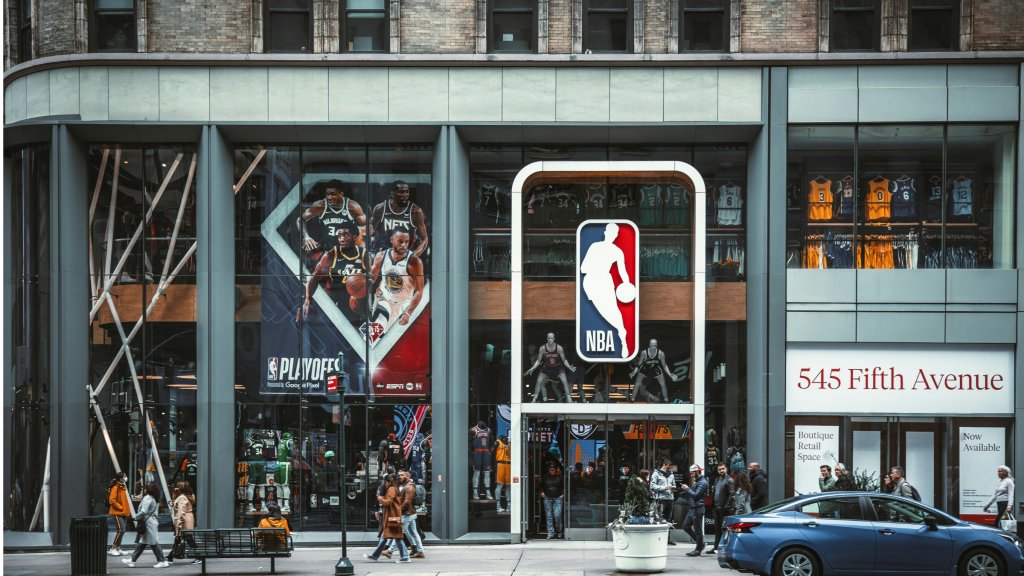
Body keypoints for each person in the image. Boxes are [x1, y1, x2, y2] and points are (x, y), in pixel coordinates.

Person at [362, 229, 425, 346]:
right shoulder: (381, 256)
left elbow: (419, 291)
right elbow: (372, 279)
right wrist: (362, 288)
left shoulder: (415, 262)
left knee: (393, 346)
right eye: (400, 241)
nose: (404, 245)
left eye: (406, 242)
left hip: (404, 305)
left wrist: (408, 313)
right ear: (392, 239)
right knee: (372, 337)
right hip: (384, 300)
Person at [579, 222, 633, 359]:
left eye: (615, 234)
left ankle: (622, 336)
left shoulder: (616, 251)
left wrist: (627, 286)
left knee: (613, 310)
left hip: (603, 281)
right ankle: (621, 332)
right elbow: (582, 269)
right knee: (606, 312)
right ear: (606, 233)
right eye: (612, 233)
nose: (613, 236)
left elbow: (623, 273)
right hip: (592, 282)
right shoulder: (595, 247)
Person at [298, 222, 370, 324]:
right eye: (339, 236)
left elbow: (375, 279)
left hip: (358, 301)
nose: (341, 239)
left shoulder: (365, 255)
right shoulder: (331, 255)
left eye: (345, 235)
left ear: (355, 237)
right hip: (338, 301)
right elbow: (315, 278)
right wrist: (307, 300)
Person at [298, 179, 367, 256]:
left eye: (333, 194)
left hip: (348, 251)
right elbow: (300, 220)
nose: (329, 197)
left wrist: (357, 230)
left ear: (341, 194)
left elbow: (369, 227)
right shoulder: (321, 206)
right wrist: (306, 237)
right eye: (327, 194)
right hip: (330, 253)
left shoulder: (352, 206)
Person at [368, 180, 429, 258]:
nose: (405, 195)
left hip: (402, 254)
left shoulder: (415, 211)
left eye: (407, 192)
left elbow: (424, 239)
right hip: (381, 252)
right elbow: (369, 231)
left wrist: (413, 256)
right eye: (401, 192)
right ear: (393, 194)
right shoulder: (381, 208)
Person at [363, 473, 410, 562]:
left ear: (389, 482)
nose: (385, 484)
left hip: (391, 518)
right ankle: (376, 555)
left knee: (390, 538)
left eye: (386, 482)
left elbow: (388, 502)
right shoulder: (394, 489)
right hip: (393, 517)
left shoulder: (391, 489)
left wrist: (380, 499)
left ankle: (404, 556)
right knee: (393, 538)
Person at [122, 482, 168, 568]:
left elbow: (143, 511)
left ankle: (162, 561)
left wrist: (135, 517)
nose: (144, 489)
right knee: (143, 543)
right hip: (151, 522)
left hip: (148, 523)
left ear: (149, 489)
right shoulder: (155, 498)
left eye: (146, 488)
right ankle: (132, 560)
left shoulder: (147, 498)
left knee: (153, 542)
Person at [525, 333, 577, 403]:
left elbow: (564, 360)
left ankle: (569, 398)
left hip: (558, 367)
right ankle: (534, 399)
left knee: (564, 381)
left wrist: (569, 367)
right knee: (539, 381)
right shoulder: (542, 348)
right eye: (549, 338)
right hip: (547, 367)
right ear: (547, 339)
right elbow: (538, 360)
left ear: (554, 339)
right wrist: (533, 368)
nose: (550, 340)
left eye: (551, 338)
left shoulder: (559, 348)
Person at [387, 470, 425, 559]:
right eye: (399, 475)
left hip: (407, 513)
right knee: (414, 533)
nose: (399, 476)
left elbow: (407, 502)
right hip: (408, 513)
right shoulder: (402, 486)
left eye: (402, 475)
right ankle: (420, 551)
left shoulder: (409, 487)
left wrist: (398, 510)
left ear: (408, 476)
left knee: (399, 531)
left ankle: (390, 551)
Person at [679, 464, 709, 557]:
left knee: (698, 529)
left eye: (692, 473)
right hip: (693, 508)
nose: (691, 475)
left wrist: (687, 488)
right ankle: (701, 544)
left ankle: (698, 549)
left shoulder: (703, 482)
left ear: (697, 472)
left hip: (698, 508)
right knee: (685, 526)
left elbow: (696, 495)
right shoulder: (698, 481)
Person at [650, 459, 677, 545]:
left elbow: (673, 484)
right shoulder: (656, 473)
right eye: (668, 468)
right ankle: (658, 538)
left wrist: (673, 488)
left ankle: (667, 538)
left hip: (670, 499)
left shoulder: (671, 474)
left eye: (670, 468)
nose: (669, 470)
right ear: (664, 465)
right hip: (661, 499)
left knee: (668, 519)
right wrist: (664, 487)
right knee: (659, 518)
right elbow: (652, 485)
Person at [708, 463, 733, 554]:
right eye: (719, 469)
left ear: (726, 469)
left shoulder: (730, 480)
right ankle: (716, 547)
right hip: (715, 507)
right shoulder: (717, 480)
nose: (721, 470)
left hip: (723, 508)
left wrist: (726, 507)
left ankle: (724, 547)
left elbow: (732, 495)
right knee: (717, 528)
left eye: (723, 469)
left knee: (724, 528)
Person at [168, 481, 196, 563]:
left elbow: (181, 511)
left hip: (184, 521)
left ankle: (199, 556)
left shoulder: (182, 498)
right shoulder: (186, 496)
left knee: (187, 539)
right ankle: (170, 556)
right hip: (187, 519)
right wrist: (175, 494)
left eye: (178, 486)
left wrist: (179, 524)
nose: (176, 488)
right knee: (178, 539)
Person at [108, 472, 131, 556]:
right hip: (117, 512)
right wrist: (121, 508)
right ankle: (113, 548)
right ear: (121, 479)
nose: (126, 477)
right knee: (121, 530)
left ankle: (118, 548)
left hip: (122, 512)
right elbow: (112, 500)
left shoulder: (122, 487)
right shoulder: (115, 487)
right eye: (125, 476)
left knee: (122, 531)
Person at [540, 462, 564, 539]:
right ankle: (550, 533)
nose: (552, 471)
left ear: (556, 469)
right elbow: (540, 485)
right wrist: (542, 492)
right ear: (549, 469)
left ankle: (559, 531)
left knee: (557, 515)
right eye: (551, 470)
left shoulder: (560, 476)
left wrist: (562, 495)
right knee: (549, 516)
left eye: (553, 470)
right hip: (548, 497)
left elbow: (564, 486)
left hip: (557, 497)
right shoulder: (545, 476)